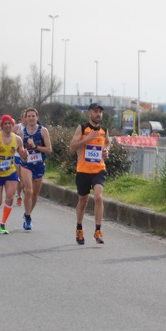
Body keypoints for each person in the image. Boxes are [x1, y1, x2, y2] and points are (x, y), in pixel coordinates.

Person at [69, 103, 110, 245]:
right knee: (83, 201)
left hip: (99, 169)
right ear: (90, 113)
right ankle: (79, 228)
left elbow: (107, 144)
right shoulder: (82, 127)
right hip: (83, 170)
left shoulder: (104, 130)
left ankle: (98, 230)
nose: (98, 114)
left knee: (98, 197)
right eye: (96, 111)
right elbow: (72, 147)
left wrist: (106, 152)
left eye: (100, 112)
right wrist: (87, 138)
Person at [18, 107, 52, 230]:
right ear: (25, 119)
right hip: (26, 164)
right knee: (28, 190)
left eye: (33, 116)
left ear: (37, 117)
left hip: (39, 165)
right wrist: (23, 153)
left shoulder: (43, 131)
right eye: (29, 116)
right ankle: (28, 218)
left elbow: (49, 149)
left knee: (34, 195)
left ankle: (27, 213)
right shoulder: (22, 133)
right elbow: (19, 150)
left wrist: (35, 146)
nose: (31, 118)